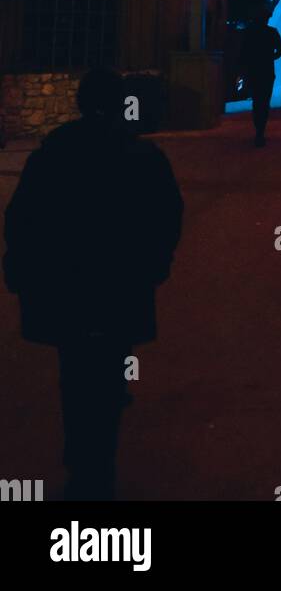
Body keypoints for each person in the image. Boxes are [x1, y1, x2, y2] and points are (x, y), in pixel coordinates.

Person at [3, 69, 183, 501]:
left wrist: (26, 270)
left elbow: (22, 220)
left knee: (75, 374)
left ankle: (83, 463)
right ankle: (97, 463)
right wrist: (153, 267)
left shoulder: (54, 152)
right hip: (120, 289)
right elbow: (167, 219)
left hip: (68, 290)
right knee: (109, 369)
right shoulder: (141, 155)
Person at [240, 7, 281, 147]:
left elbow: (243, 52)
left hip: (253, 71)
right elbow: (280, 49)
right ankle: (260, 130)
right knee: (264, 102)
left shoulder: (249, 33)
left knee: (256, 101)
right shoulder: (271, 32)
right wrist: (271, 57)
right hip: (267, 71)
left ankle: (258, 129)